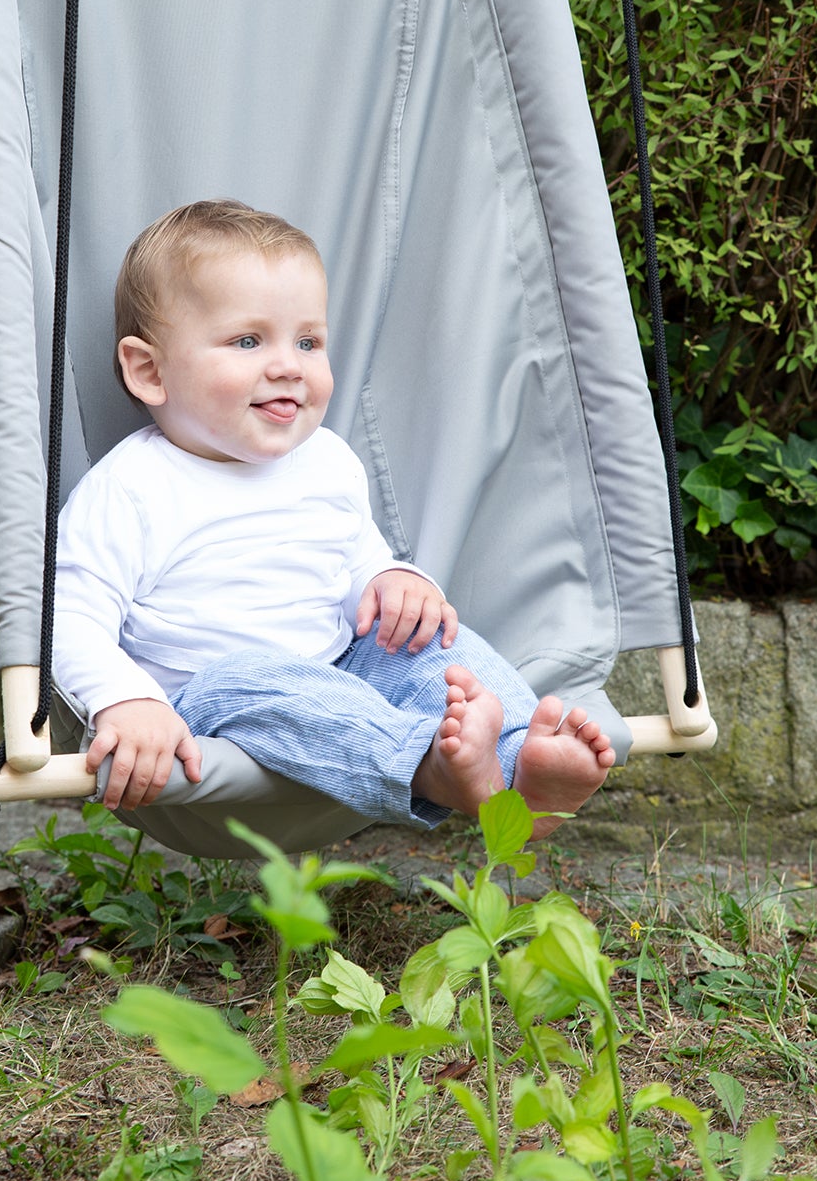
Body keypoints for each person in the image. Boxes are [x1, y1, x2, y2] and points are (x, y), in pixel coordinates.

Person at [53, 199, 614, 832]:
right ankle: (427, 768)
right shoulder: (130, 489)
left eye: (308, 341)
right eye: (247, 340)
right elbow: (69, 618)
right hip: (207, 702)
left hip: (341, 670)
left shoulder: (326, 461)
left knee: (430, 648)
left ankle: (520, 764)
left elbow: (356, 565)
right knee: (260, 682)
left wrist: (394, 583)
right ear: (149, 370)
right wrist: (126, 702)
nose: (289, 364)